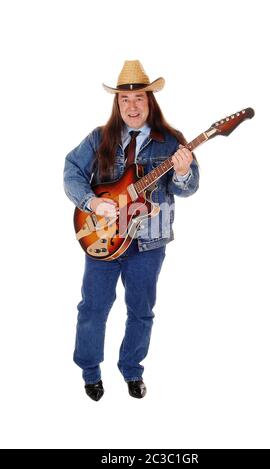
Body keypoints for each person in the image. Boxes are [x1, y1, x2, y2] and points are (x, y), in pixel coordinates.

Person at [63, 60, 199, 401]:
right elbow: (71, 170)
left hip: (148, 244)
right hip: (104, 238)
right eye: (126, 100)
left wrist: (182, 172)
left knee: (141, 310)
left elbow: (188, 188)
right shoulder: (100, 137)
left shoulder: (172, 142)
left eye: (139, 98)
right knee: (93, 308)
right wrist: (92, 204)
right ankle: (90, 371)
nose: (133, 106)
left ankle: (132, 370)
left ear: (150, 101)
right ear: (117, 103)